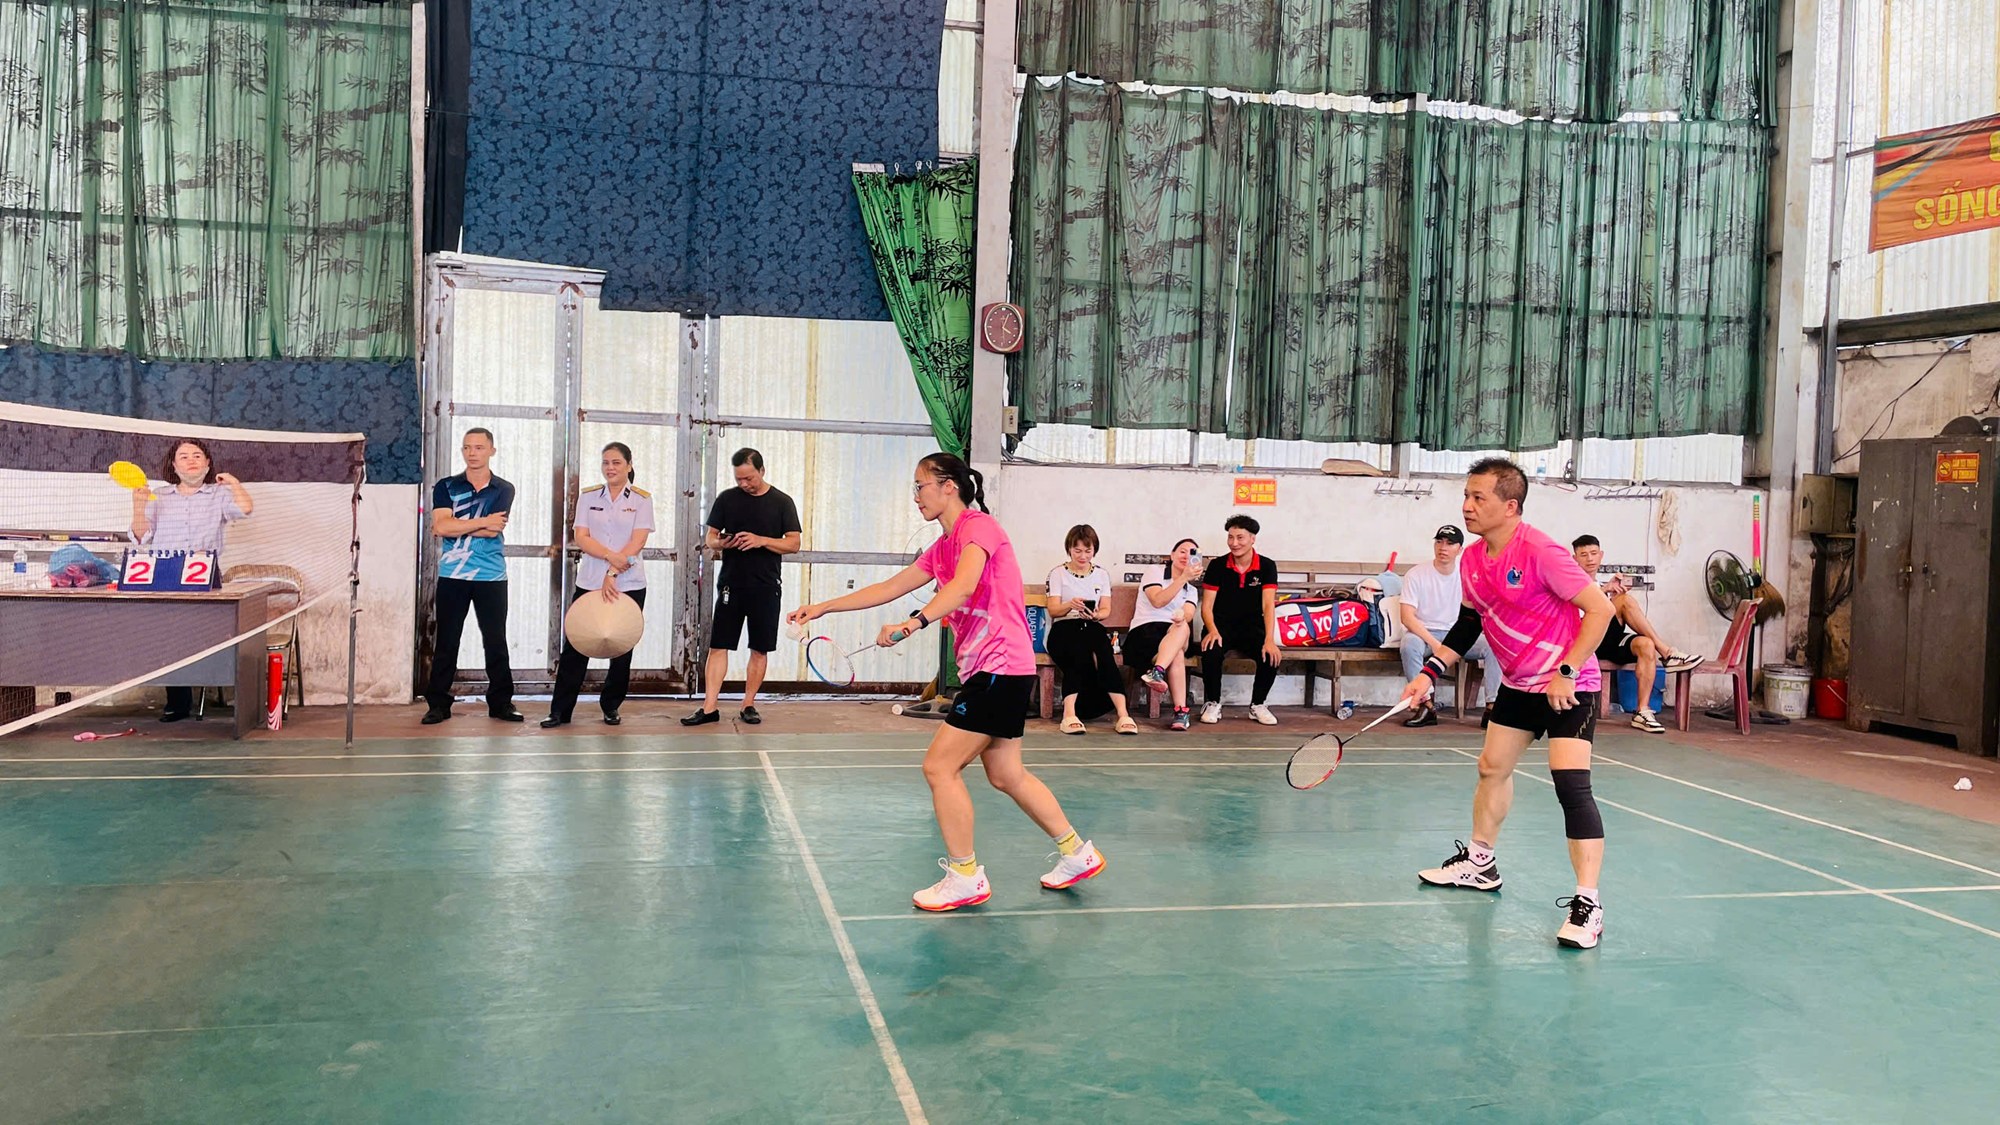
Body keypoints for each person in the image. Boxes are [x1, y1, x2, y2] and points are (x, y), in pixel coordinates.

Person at [789, 452, 1104, 912]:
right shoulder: (942, 547)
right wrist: (822, 607)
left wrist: (912, 622)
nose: (916, 496)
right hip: (998, 669)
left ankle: (965, 876)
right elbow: (891, 586)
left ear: (948, 486)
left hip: (999, 666)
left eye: (921, 486)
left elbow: (963, 585)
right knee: (1006, 774)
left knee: (939, 767)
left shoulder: (979, 528)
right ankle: (1076, 853)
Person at [1398, 457, 1618, 950]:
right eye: (1466, 496)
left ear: (1511, 506)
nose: (1467, 506)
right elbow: (1469, 623)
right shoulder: (1473, 559)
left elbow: (1600, 609)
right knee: (1491, 768)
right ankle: (1481, 864)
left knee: (1571, 786)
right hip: (1520, 684)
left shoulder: (1542, 551)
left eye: (1479, 498)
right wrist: (1428, 674)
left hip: (1569, 686)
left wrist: (1565, 670)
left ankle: (1588, 903)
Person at [131, 438, 252, 722]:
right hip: (166, 572)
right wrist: (138, 506)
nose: (191, 461)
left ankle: (218, 693)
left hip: (205, 571)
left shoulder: (219, 494)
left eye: (197, 455)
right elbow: (140, 537)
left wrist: (234, 484)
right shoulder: (157, 496)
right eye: (183, 456)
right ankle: (177, 702)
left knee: (208, 634)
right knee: (169, 638)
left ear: (208, 463)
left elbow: (245, 509)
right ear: (173, 465)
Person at [685, 448, 800, 726]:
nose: (744, 484)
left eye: (749, 478)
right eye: (739, 479)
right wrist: (722, 542)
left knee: (759, 648)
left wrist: (762, 540)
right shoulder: (727, 499)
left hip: (765, 586)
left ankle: (748, 704)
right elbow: (710, 538)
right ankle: (709, 707)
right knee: (718, 645)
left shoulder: (782, 502)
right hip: (731, 584)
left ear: (762, 471)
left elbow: (794, 543)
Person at [543, 443, 654, 729]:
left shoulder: (641, 499)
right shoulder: (589, 496)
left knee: (621, 646)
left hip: (628, 583)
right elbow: (582, 536)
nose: (610, 468)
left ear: (629, 465)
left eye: (616, 462)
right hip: (591, 581)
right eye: (605, 462)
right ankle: (560, 711)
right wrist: (609, 557)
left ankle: (611, 706)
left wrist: (613, 572)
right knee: (576, 644)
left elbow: (638, 541)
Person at [424, 428, 520, 725]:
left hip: (491, 576)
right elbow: (441, 527)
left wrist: (458, 524)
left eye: (479, 447)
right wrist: (481, 521)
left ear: (492, 450)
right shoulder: (446, 486)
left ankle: (501, 703)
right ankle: (438, 704)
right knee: (447, 640)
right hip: (453, 575)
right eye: (467, 447)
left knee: (495, 640)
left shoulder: (504, 488)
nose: (472, 453)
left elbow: (493, 530)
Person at [1571, 535, 1705, 733]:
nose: (1590, 559)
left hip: (1610, 640)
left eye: (1593, 553)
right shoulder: (1571, 583)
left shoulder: (1600, 584)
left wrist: (1610, 591)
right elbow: (1578, 615)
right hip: (1586, 642)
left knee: (1646, 645)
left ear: (1601, 555)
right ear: (1575, 559)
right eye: (1583, 555)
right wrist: (1605, 592)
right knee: (1624, 601)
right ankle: (1667, 653)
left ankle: (1642, 711)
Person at [1398, 525, 1498, 729]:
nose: (1443, 547)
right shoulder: (1416, 574)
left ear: (1460, 549)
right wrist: (1436, 645)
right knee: (1409, 644)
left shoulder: (1469, 574)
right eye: (1439, 542)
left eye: (1450, 543)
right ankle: (1425, 706)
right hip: (1425, 634)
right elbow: (1407, 618)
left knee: (1494, 644)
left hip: (1460, 634)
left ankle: (1492, 707)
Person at [1043, 524, 1137, 736]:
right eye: (1077, 550)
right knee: (1077, 653)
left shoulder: (1101, 574)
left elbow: (1105, 610)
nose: (1083, 556)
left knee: (1105, 654)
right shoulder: (1057, 573)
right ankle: (1069, 714)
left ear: (1094, 550)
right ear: (1069, 549)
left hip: (1091, 625)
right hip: (1064, 628)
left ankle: (1123, 715)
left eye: (1088, 550)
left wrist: (1095, 615)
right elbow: (1054, 610)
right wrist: (1070, 605)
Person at [1198, 514, 1281, 726]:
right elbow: (1206, 606)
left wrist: (1269, 639)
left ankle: (1258, 705)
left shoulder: (1267, 566)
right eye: (1230, 537)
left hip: (1251, 627)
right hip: (1220, 626)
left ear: (1252, 539)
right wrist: (1212, 630)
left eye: (1240, 537)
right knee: (1210, 649)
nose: (1234, 543)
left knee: (1270, 655)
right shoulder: (1217, 566)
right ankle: (1212, 702)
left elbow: (1268, 606)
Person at [1127, 538, 1202, 731]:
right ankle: (1181, 712)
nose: (1186, 556)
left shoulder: (1192, 591)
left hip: (1175, 631)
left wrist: (1181, 617)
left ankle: (1157, 672)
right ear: (1172, 555)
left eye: (1192, 553)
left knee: (1182, 626)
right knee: (1176, 654)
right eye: (1182, 551)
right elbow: (1157, 601)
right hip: (1145, 634)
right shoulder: (1155, 572)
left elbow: (1188, 614)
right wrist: (1183, 578)